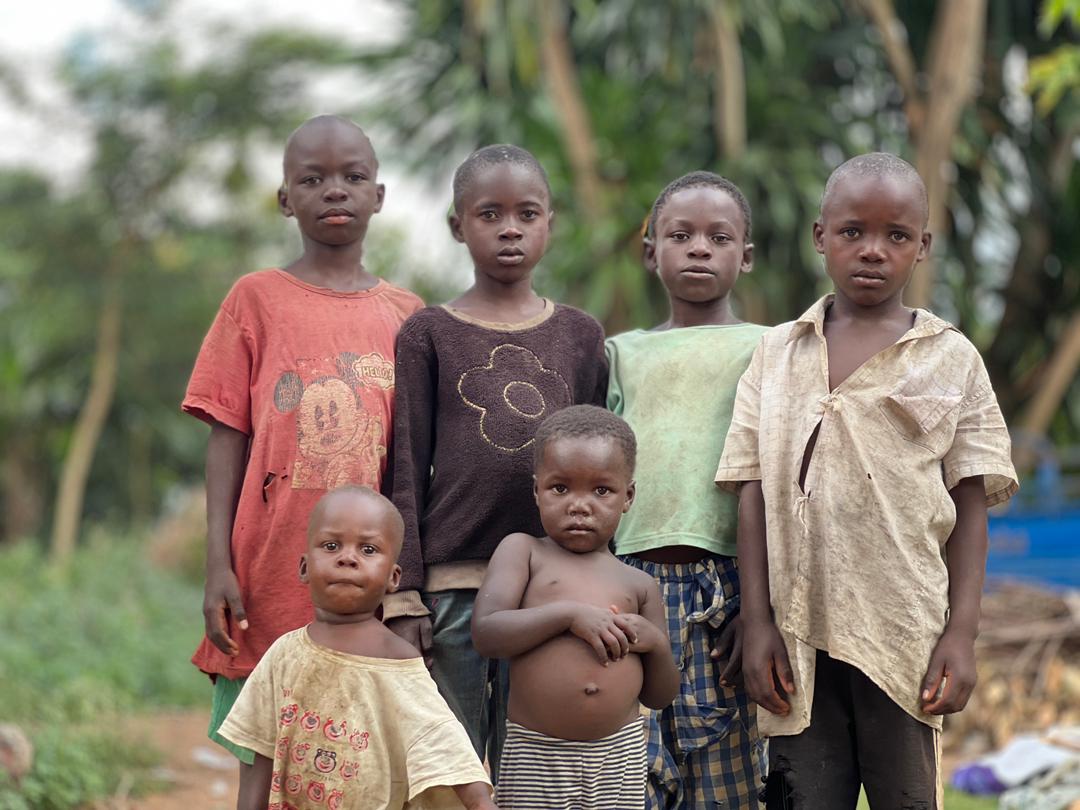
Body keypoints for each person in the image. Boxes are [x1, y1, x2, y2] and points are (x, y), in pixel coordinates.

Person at [715, 153, 1019, 809]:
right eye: (853, 232)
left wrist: (961, 634)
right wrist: (759, 619)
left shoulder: (950, 358)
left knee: (905, 797)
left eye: (896, 236)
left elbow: (971, 505)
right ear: (820, 236)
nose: (873, 251)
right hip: (797, 643)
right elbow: (749, 489)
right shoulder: (775, 352)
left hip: (903, 638)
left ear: (923, 247)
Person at [181, 115, 423, 787]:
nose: (335, 191)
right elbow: (227, 435)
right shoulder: (254, 300)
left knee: (361, 755)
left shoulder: (409, 315)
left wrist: (412, 588)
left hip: (369, 578)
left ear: (380, 194)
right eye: (312, 179)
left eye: (353, 176)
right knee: (266, 754)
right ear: (286, 199)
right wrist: (217, 566)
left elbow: (412, 463)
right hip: (267, 569)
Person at [384, 144, 608, 771]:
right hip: (452, 587)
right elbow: (406, 463)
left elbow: (600, 474)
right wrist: (404, 597)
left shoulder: (580, 336)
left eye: (527, 213)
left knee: (531, 759)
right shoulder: (429, 333)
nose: (510, 228)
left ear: (549, 224)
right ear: (458, 226)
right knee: (449, 761)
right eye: (489, 214)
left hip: (548, 590)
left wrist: (595, 578)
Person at [606, 171, 767, 808]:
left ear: (745, 257)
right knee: (632, 767)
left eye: (719, 237)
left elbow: (779, 479)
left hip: (729, 588)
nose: (699, 247)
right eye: (681, 235)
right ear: (652, 253)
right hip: (629, 582)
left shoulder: (769, 347)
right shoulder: (621, 353)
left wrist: (762, 608)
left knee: (727, 768)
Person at [219, 486, 496, 810]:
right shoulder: (285, 654)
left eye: (368, 549)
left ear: (393, 578)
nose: (347, 558)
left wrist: (479, 802)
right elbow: (260, 747)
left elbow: (440, 739)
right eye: (331, 545)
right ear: (305, 568)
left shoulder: (397, 660)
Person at [471, 405, 680, 809]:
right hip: (538, 755)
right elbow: (487, 633)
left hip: (619, 757)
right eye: (560, 488)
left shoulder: (639, 584)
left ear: (628, 497)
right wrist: (569, 615)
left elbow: (659, 696)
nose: (579, 506)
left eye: (601, 490)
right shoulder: (524, 552)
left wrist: (655, 644)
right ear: (537, 491)